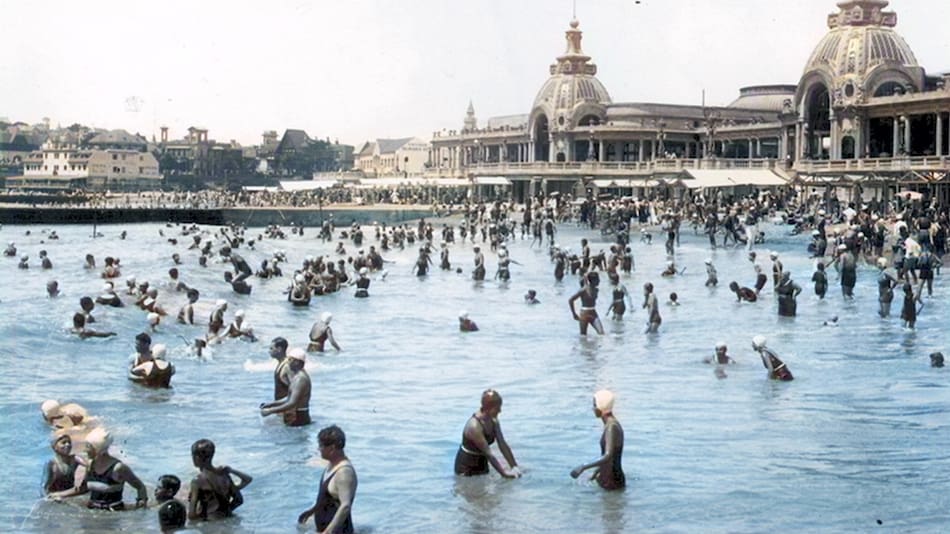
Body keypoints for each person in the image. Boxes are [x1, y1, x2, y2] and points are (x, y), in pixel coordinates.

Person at [50, 427, 148, 510]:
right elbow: (82, 489)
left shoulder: (118, 468)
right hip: (92, 510)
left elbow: (140, 487)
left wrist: (141, 506)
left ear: (98, 449)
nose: (85, 450)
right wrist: (59, 494)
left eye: (88, 447)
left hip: (113, 513)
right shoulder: (90, 465)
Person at [298, 425, 358, 534]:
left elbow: (345, 506)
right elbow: (326, 497)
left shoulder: (344, 473)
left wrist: (327, 532)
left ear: (332, 448)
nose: (319, 449)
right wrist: (312, 511)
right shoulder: (331, 465)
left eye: (321, 446)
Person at [454, 389, 520, 478]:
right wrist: (504, 474)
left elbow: (502, 444)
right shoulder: (474, 427)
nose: (500, 411)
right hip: (466, 468)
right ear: (488, 408)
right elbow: (488, 453)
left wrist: (514, 467)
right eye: (497, 408)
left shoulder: (493, 420)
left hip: (482, 463)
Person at [570, 389, 625, 490]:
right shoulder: (611, 425)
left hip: (612, 483)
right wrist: (597, 472)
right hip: (608, 480)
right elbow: (611, 456)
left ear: (601, 406)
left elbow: (608, 455)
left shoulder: (611, 427)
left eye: (595, 405)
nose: (593, 408)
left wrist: (583, 467)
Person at [187, 439, 253, 521]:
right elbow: (238, 500)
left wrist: (207, 516)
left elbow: (192, 516)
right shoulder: (225, 476)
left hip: (209, 525)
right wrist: (224, 512)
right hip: (228, 519)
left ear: (197, 457)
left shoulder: (197, 481)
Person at [260, 347, 312, 426]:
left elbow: (292, 403)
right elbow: (289, 398)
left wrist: (270, 411)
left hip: (299, 418)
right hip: (297, 416)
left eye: (290, 360)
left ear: (297, 362)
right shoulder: (297, 377)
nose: (287, 363)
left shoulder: (300, 379)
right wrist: (271, 404)